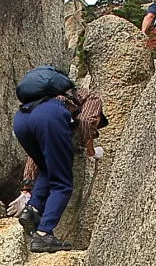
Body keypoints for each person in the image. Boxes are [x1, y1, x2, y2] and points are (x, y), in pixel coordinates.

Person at [11, 84, 104, 253]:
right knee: (62, 184)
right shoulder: (92, 98)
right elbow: (86, 123)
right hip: (49, 119)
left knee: (49, 167)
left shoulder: (51, 96)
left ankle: (32, 210)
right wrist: (91, 151)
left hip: (21, 120)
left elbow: (38, 158)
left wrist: (27, 188)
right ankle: (43, 234)